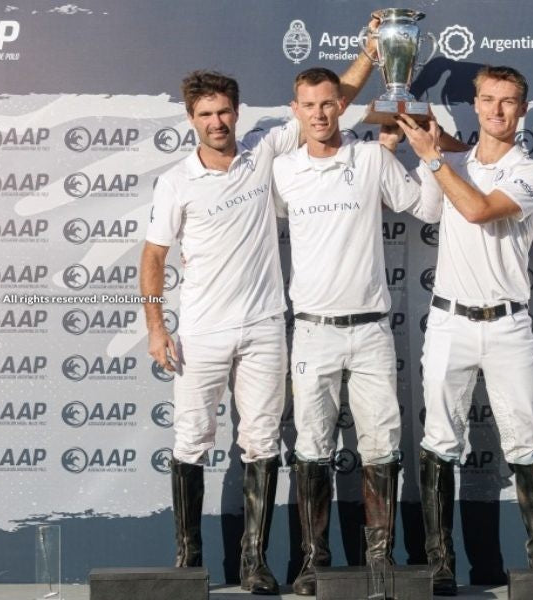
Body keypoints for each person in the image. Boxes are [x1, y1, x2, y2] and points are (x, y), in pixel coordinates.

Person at [141, 39, 377, 594]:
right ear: (190, 118)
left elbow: (335, 98)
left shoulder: (264, 152)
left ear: (237, 112)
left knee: (263, 442)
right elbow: (153, 256)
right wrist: (156, 326)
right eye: (205, 114)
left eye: (224, 111)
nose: (217, 122)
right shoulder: (175, 181)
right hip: (199, 330)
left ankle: (254, 564)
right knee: (191, 440)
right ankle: (189, 564)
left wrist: (369, 52)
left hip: (266, 325)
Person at [271, 66, 445, 596]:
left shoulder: (371, 158)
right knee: (312, 448)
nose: (320, 114)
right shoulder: (281, 171)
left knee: (381, 447)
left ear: (340, 107)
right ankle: (312, 562)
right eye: (310, 105)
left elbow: (428, 206)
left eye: (329, 104)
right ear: (296, 110)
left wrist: (430, 158)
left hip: (370, 331)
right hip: (312, 331)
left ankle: (379, 560)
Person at [398, 65, 533, 596]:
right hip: (448, 321)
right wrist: (405, 143)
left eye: (509, 102)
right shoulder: (453, 163)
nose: (497, 110)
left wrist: (435, 159)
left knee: (527, 444)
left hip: (509, 323)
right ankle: (439, 565)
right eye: (488, 100)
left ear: (523, 109)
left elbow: (480, 211)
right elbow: (425, 207)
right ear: (475, 103)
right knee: (439, 442)